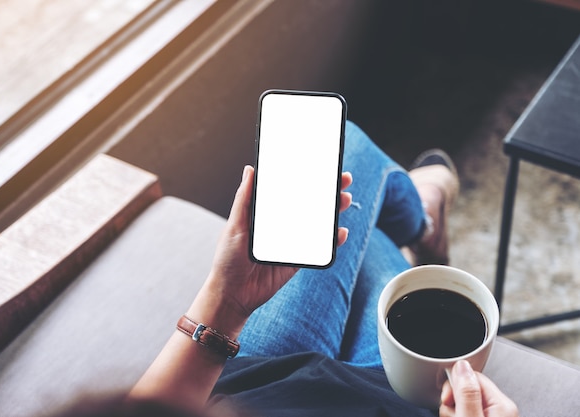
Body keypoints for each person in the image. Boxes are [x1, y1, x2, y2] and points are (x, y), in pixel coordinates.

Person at [53, 122, 518, 417]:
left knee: (339, 160)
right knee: (358, 214)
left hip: (262, 374)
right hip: (389, 398)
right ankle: (425, 216)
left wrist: (226, 299)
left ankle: (422, 213)